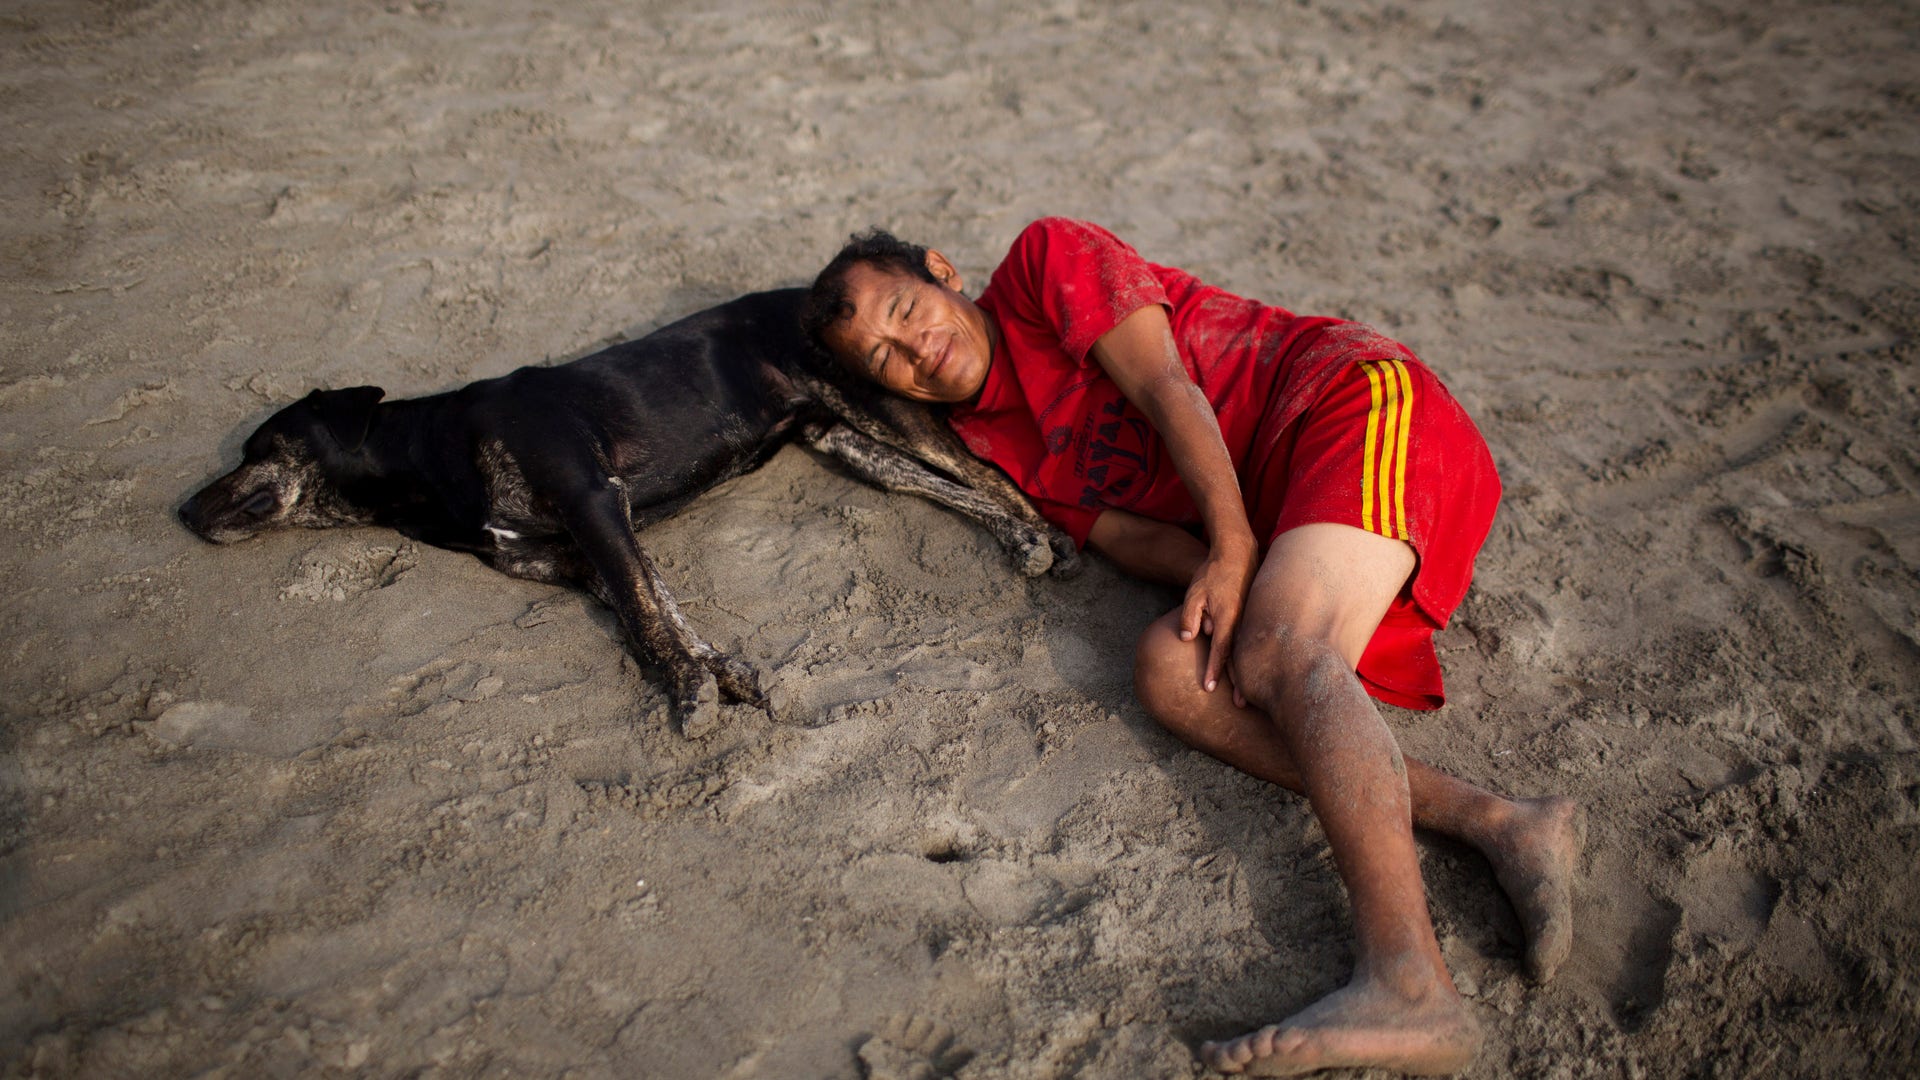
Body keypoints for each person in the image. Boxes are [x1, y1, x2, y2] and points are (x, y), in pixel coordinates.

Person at [802, 218, 1580, 1077]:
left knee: (1284, 651)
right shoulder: (987, 442)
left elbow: (1170, 385)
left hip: (1346, 402)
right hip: (1282, 520)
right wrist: (1225, 575)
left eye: (907, 309)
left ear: (942, 273)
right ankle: (1503, 823)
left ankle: (1410, 983)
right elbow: (1130, 539)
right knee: (1171, 671)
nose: (915, 348)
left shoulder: (1041, 264)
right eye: (884, 360)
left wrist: (1236, 550)